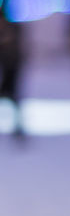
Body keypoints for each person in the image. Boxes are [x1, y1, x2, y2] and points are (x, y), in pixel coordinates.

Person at [0, 9, 26, 143]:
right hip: (8, 67)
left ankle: (18, 127)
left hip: (10, 67)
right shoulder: (12, 27)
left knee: (13, 97)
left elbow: (15, 49)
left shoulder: (12, 27)